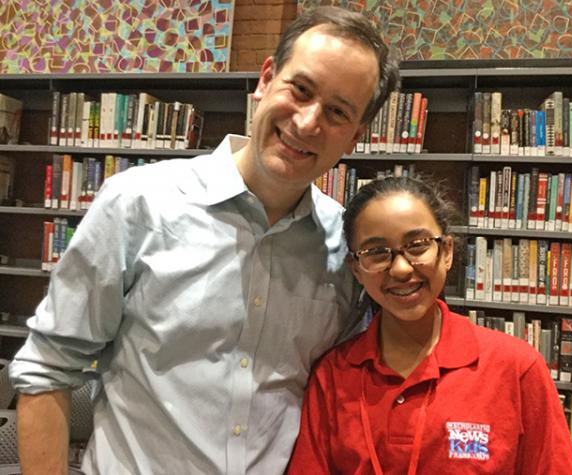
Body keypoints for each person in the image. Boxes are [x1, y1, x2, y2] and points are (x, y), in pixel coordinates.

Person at [10, 7, 398, 474]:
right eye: (301, 90)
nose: (309, 121)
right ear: (266, 79)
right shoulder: (139, 203)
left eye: (337, 112)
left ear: (355, 136)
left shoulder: (344, 247)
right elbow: (47, 369)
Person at [288, 175, 572, 474]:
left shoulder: (516, 368)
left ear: (447, 251)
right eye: (376, 252)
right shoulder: (333, 376)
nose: (401, 269)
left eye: (417, 245)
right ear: (357, 269)